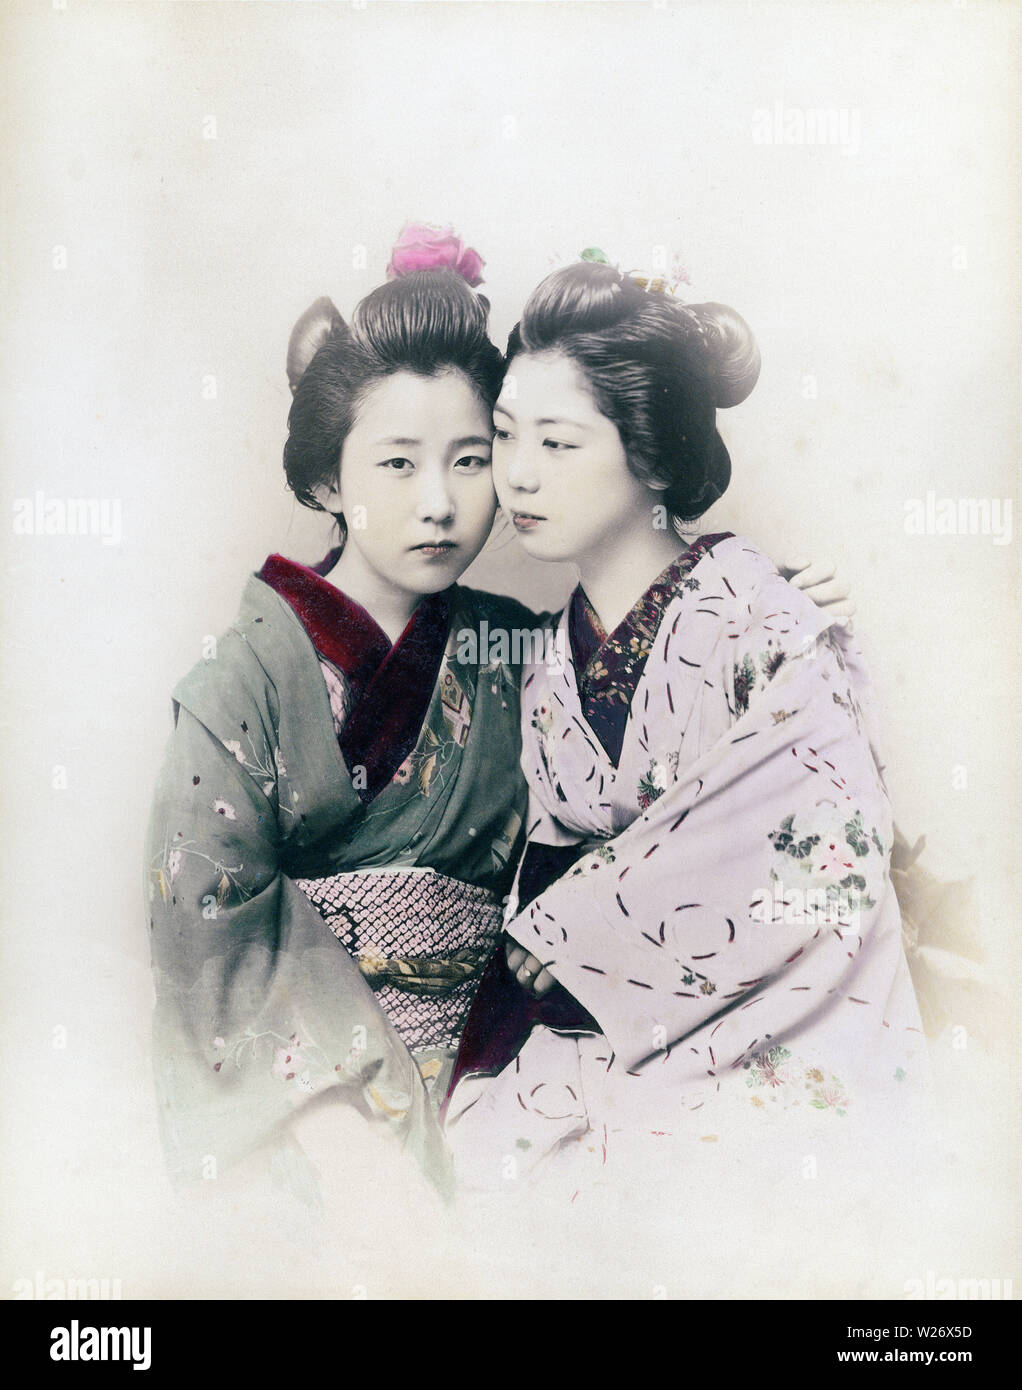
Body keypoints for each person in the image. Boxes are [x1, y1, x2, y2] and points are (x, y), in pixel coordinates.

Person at [145, 225, 855, 1202]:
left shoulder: (524, 648)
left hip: (500, 1071)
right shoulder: (248, 679)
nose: (442, 502)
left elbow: (677, 792)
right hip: (311, 1112)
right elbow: (201, 917)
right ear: (324, 479)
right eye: (397, 464)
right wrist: (336, 1137)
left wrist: (761, 630)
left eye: (473, 457)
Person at [445, 255, 928, 1196]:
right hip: (598, 1031)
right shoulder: (548, 659)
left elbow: (831, 846)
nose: (518, 477)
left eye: (558, 444)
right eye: (505, 438)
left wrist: (585, 921)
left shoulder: (766, 619)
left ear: (653, 456)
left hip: (763, 1026)